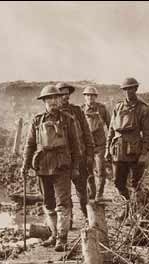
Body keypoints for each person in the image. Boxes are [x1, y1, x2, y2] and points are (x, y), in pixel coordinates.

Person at [22, 84, 80, 252]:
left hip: (62, 165)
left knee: (62, 203)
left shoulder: (68, 120)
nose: (52, 102)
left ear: (59, 99)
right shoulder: (37, 120)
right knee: (48, 203)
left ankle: (62, 239)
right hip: (42, 166)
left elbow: (76, 146)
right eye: (48, 99)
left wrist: (75, 167)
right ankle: (54, 235)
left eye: (55, 98)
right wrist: (25, 164)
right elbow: (30, 144)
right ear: (44, 102)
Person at [105, 77, 149, 203]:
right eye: (125, 89)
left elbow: (148, 133)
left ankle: (140, 209)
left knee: (135, 184)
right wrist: (107, 149)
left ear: (136, 89)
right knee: (118, 182)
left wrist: (144, 153)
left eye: (130, 89)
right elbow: (111, 130)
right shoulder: (118, 107)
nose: (127, 92)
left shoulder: (143, 109)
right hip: (118, 151)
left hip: (134, 151)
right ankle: (126, 207)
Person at [56, 82, 95, 220]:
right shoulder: (54, 114)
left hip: (80, 157)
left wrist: (90, 154)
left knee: (82, 191)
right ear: (57, 96)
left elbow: (87, 133)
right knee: (64, 194)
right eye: (62, 94)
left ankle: (86, 217)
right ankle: (69, 220)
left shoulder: (77, 111)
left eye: (67, 94)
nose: (65, 97)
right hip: (63, 160)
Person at [81, 86, 111, 201]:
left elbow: (110, 125)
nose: (90, 98)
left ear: (96, 97)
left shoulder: (102, 109)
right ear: (85, 97)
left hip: (100, 145)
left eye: (92, 95)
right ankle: (92, 192)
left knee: (100, 169)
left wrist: (109, 142)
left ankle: (99, 194)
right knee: (88, 170)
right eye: (87, 95)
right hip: (86, 146)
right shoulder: (81, 110)